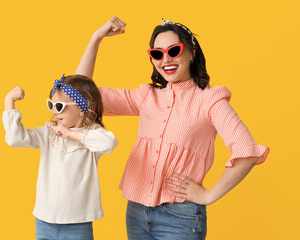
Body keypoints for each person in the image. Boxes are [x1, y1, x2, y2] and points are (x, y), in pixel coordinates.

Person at [75, 16, 270, 240]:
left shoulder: (210, 101)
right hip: (137, 211)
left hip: (181, 217)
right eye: (157, 54)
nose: (165, 59)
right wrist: (96, 39)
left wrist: (208, 196)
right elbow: (80, 95)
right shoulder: (147, 96)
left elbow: (247, 151)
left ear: (191, 52)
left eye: (174, 50)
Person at [2, 74, 118, 240]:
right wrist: (9, 102)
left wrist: (70, 133)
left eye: (59, 105)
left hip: (78, 222)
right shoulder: (49, 133)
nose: (54, 111)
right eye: (51, 105)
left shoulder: (92, 135)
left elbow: (109, 143)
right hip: (44, 220)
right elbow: (16, 139)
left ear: (82, 108)